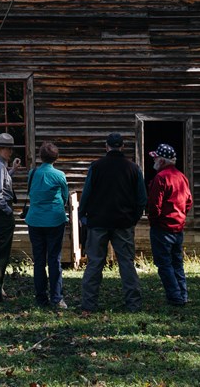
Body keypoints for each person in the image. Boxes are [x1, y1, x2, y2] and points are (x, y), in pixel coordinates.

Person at [77, 132, 146, 313]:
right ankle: (133, 304)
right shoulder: (133, 168)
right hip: (123, 222)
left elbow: (86, 193)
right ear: (122, 146)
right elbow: (141, 198)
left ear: (106, 146)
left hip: (98, 221)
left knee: (94, 263)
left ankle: (89, 304)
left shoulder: (96, 167)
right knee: (126, 263)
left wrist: (82, 214)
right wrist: (134, 219)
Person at [147, 143, 193, 307]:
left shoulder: (161, 178)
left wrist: (154, 222)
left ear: (162, 160)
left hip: (162, 228)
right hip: (178, 228)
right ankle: (183, 294)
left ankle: (175, 297)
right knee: (177, 263)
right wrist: (180, 217)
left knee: (164, 264)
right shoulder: (182, 177)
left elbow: (154, 205)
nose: (154, 161)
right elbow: (188, 201)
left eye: (156, 158)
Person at [25, 141, 69, 310]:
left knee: (39, 260)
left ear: (40, 156)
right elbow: (64, 196)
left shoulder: (32, 173)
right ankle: (57, 298)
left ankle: (41, 297)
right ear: (56, 158)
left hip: (35, 220)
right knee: (54, 259)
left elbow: (31, 192)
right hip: (54, 220)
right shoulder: (59, 175)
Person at [0, 132, 21, 301]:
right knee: (0, 254)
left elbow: (3, 183)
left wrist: (12, 170)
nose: (10, 152)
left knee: (0, 252)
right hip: (1, 214)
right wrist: (8, 211)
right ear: (1, 149)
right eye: (8, 149)